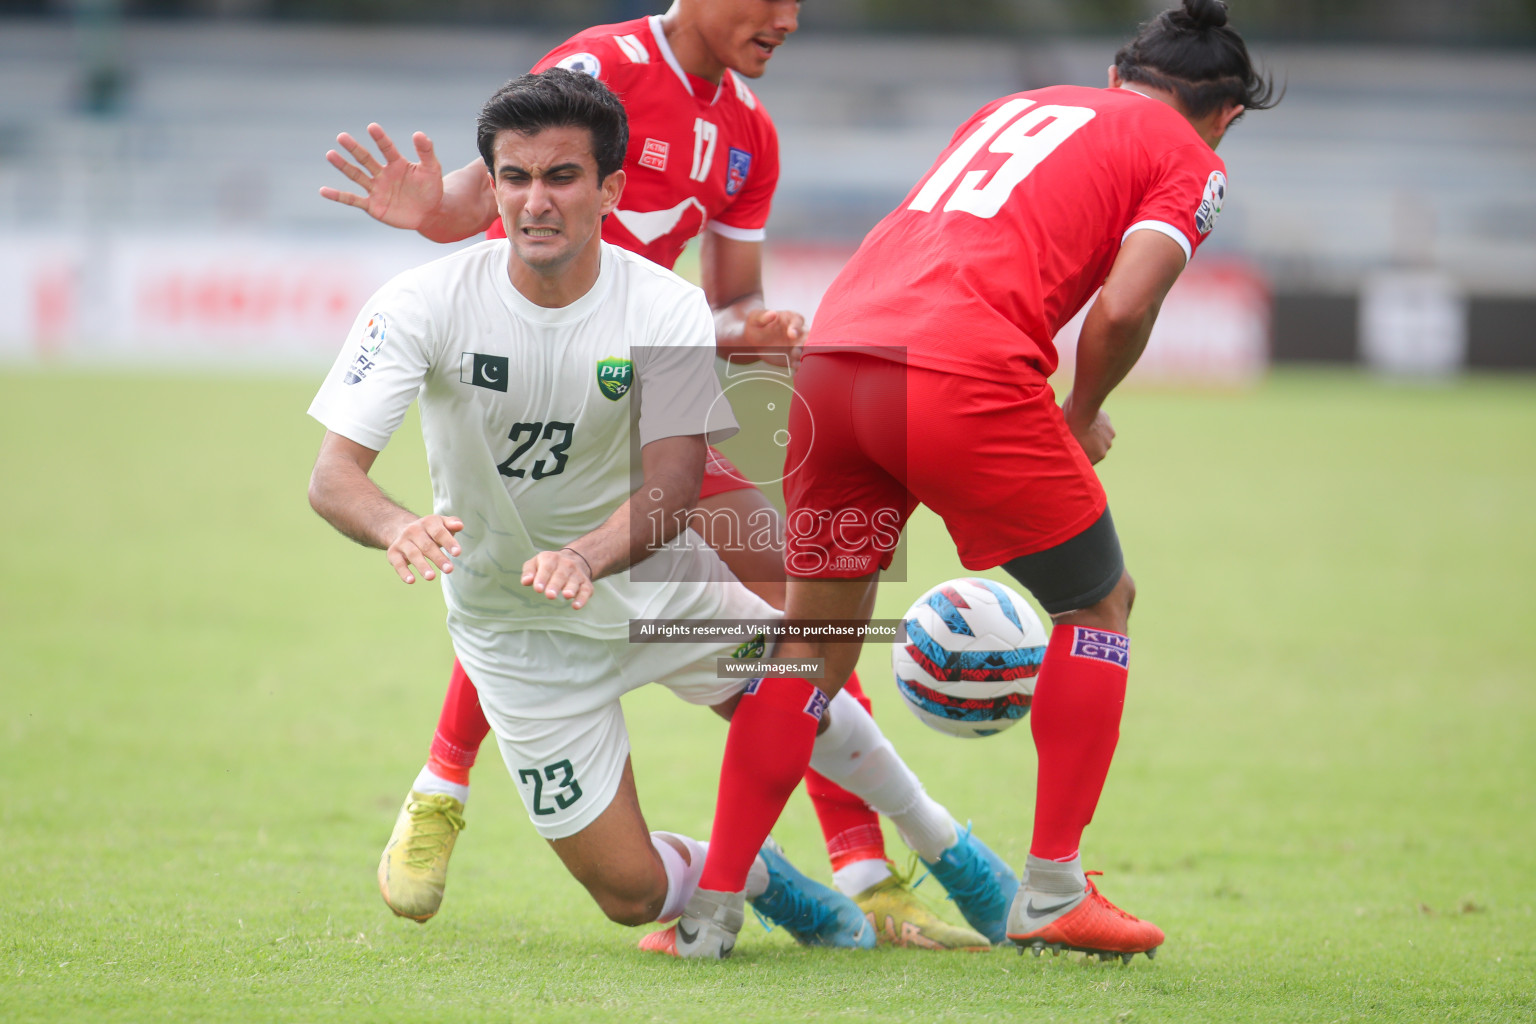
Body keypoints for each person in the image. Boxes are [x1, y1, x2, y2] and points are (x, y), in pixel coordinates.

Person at [319, 0, 1012, 951]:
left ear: (607, 186)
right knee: (521, 566)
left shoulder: (748, 137)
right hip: (529, 415)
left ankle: (889, 865)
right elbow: (486, 197)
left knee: (810, 618)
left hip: (654, 394)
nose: (788, 18)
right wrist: (433, 211)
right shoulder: (601, 67)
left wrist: (754, 336)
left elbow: (730, 304)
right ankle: (444, 783)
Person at [680, 0, 1280, 960]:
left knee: (811, 648)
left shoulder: (1021, 106)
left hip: (832, 364)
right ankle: (1051, 892)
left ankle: (710, 913)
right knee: (1100, 603)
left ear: (1120, 78)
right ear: (1226, 116)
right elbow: (1125, 306)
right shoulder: (1188, 156)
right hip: (958, 374)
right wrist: (1077, 416)